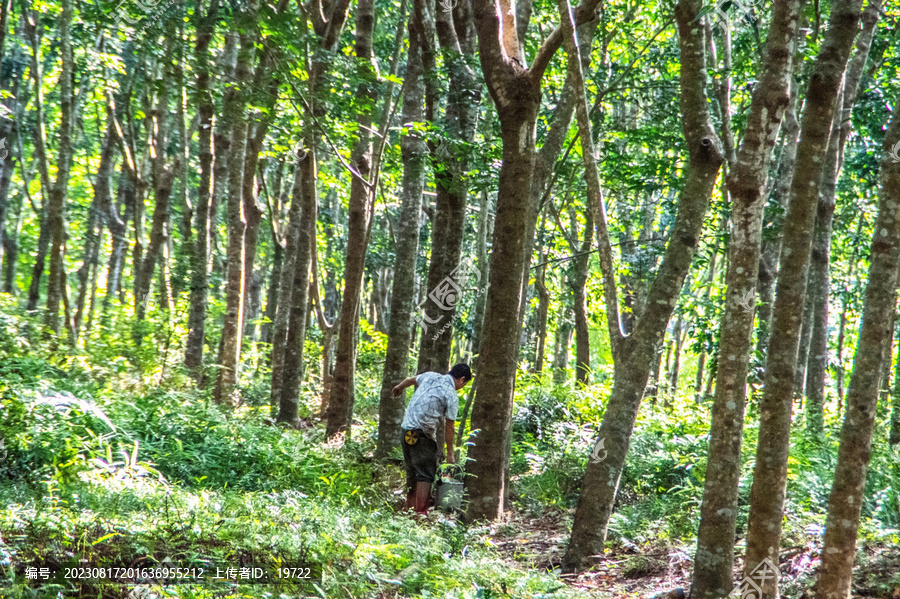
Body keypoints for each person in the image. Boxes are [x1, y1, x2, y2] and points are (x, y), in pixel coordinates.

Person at [392, 363, 473, 517]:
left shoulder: (430, 376)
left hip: (406, 430)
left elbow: (410, 379)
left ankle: (409, 512)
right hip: (422, 435)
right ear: (462, 379)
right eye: (464, 384)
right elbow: (450, 427)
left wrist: (399, 387)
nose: (461, 387)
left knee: (411, 474)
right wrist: (450, 453)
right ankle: (420, 513)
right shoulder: (451, 394)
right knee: (425, 475)